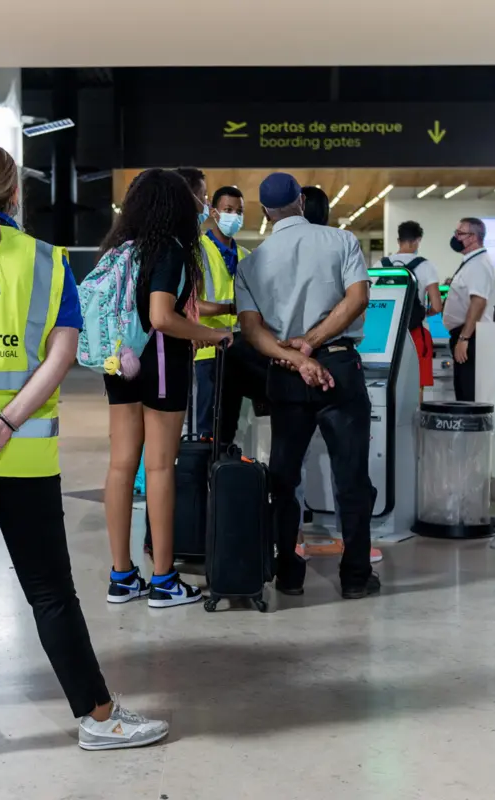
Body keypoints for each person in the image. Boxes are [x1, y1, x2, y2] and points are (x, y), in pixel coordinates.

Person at [0, 142, 168, 755]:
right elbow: (61, 353)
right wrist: (8, 423)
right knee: (49, 589)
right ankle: (96, 716)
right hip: (21, 453)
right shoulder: (45, 261)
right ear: (17, 193)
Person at [235, 172, 380, 600]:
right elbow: (357, 299)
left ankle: (289, 575)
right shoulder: (342, 241)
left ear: (265, 212)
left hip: (284, 375)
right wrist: (314, 346)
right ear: (301, 201)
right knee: (351, 477)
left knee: (284, 478)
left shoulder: (250, 263)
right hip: (338, 367)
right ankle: (355, 577)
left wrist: (296, 358)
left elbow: (251, 329)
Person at [101, 169, 232, 608]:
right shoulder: (170, 249)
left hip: (119, 360)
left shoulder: (123, 249)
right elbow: (161, 317)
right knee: (159, 467)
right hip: (158, 362)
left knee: (121, 465)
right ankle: (163, 580)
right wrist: (212, 334)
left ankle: (122, 576)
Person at [189, 185, 251, 436]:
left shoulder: (246, 256)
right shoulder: (197, 251)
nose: (234, 216)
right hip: (208, 353)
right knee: (207, 430)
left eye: (239, 211)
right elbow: (192, 305)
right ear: (214, 213)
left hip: (241, 349)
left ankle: (228, 472)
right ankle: (205, 475)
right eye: (228, 210)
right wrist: (232, 308)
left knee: (232, 428)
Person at [384, 220, 442, 398]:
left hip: (387, 334)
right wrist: (425, 312)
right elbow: (437, 306)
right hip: (417, 332)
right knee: (417, 383)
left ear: (399, 240)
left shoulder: (381, 265)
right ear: (417, 240)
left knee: (388, 379)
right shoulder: (426, 266)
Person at [441, 217, 495, 402]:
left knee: (468, 394)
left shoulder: (478, 264)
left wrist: (464, 338)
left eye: (459, 233)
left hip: (471, 337)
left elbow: (478, 302)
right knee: (463, 391)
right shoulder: (473, 262)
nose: (455, 237)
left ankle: (471, 431)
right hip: (467, 335)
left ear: (473, 237)